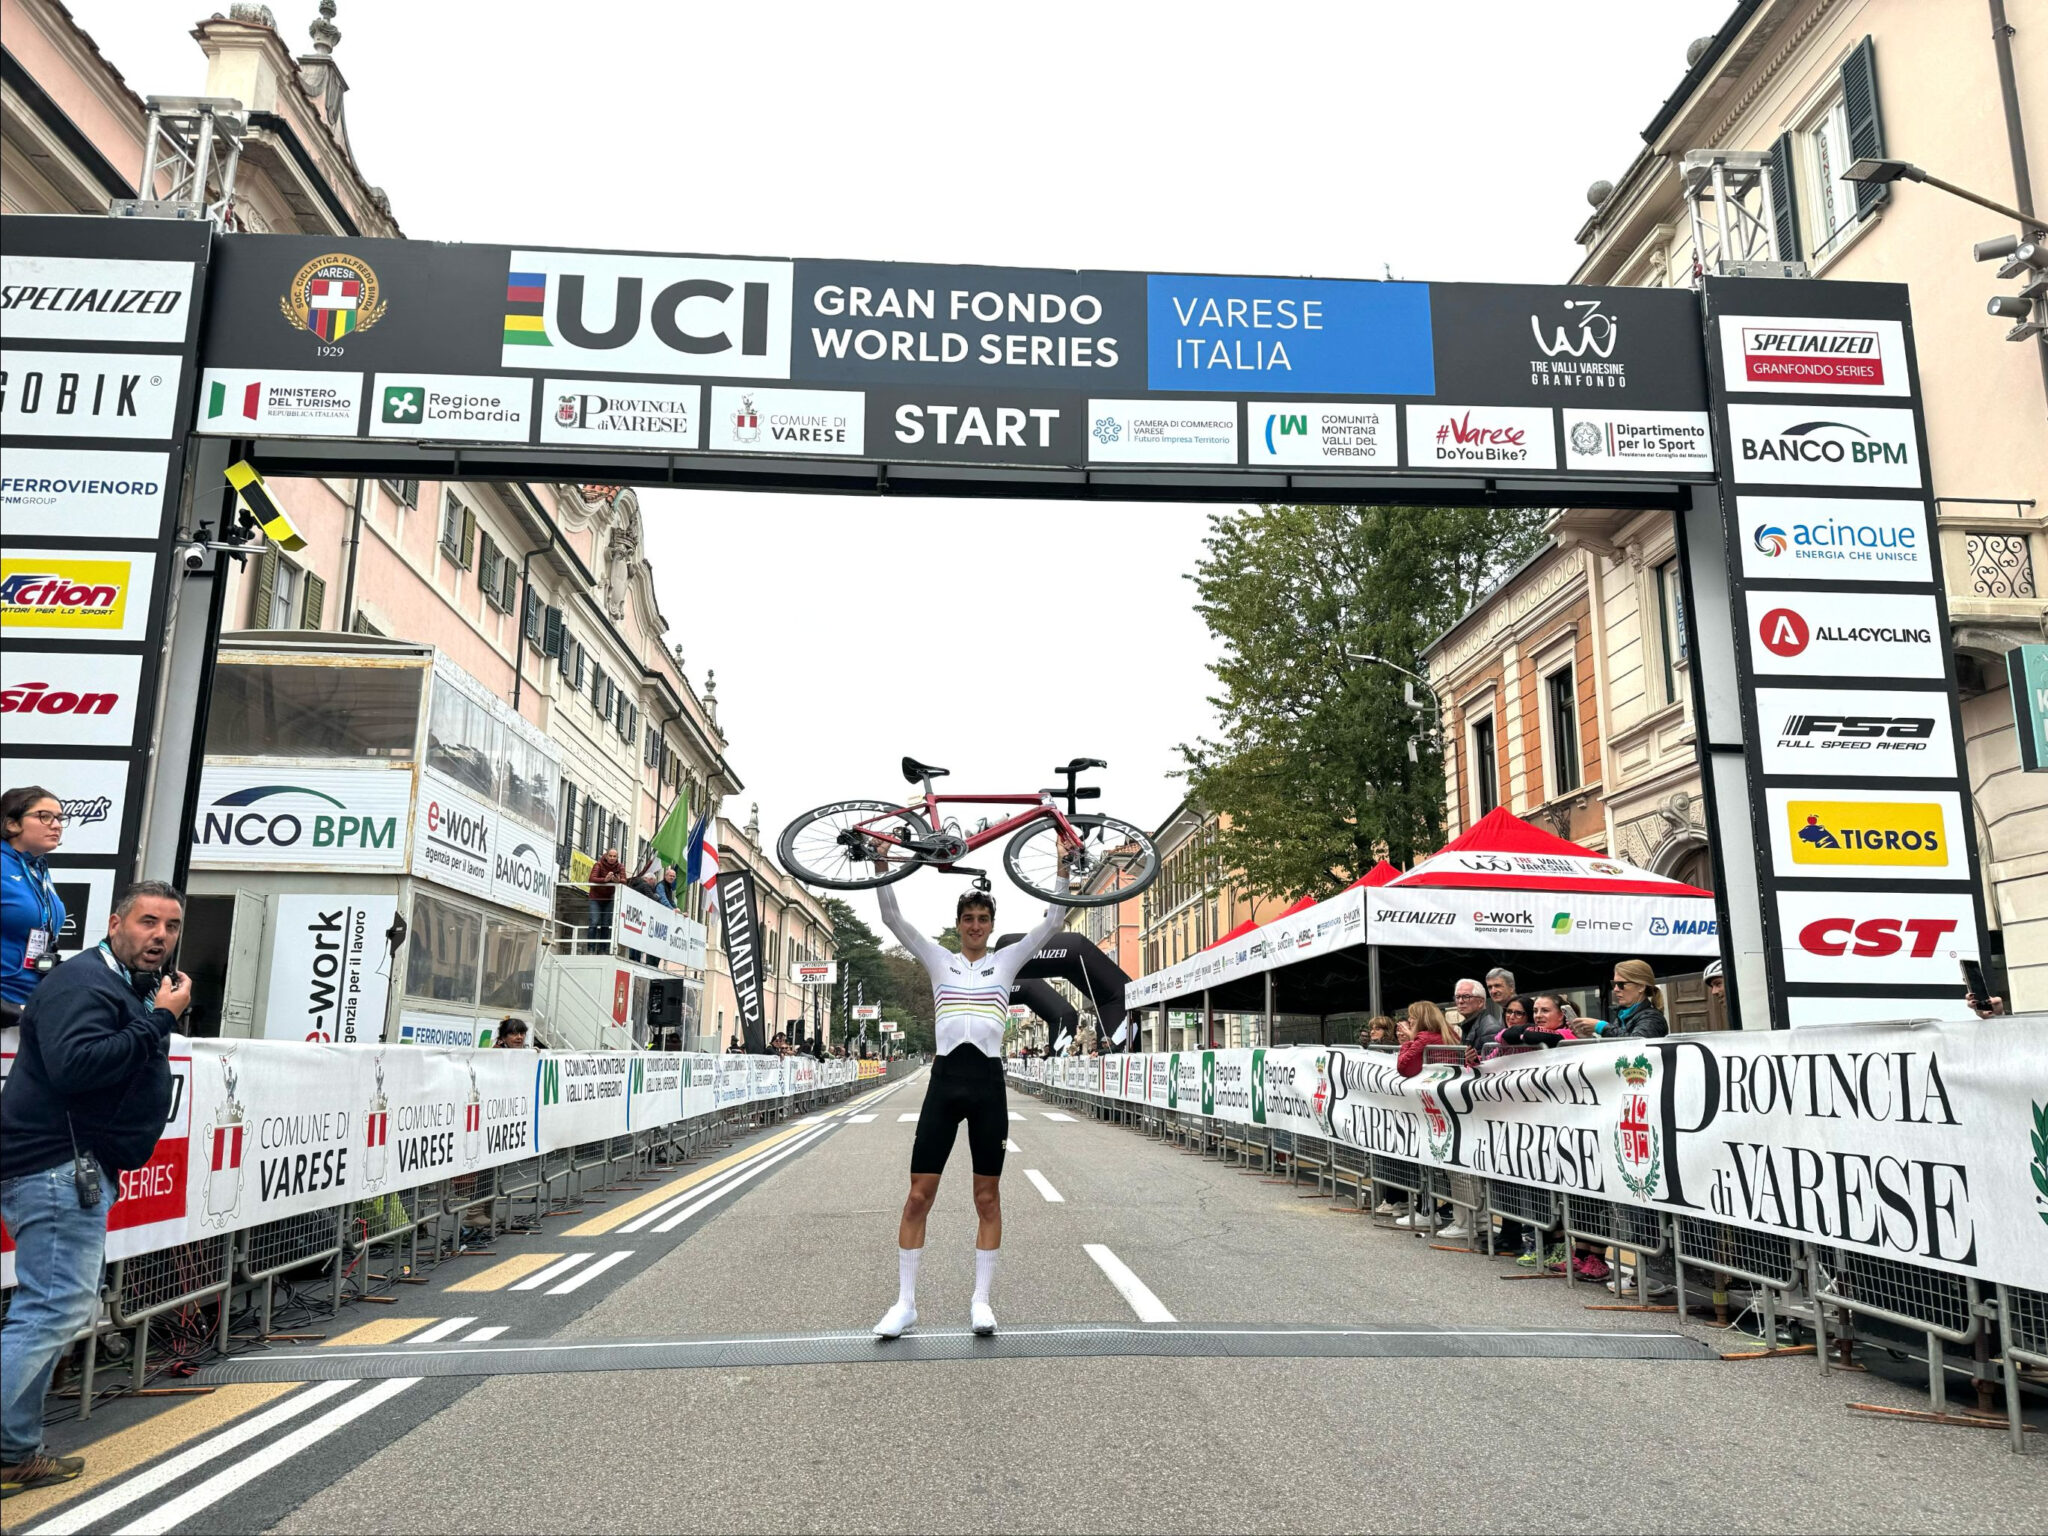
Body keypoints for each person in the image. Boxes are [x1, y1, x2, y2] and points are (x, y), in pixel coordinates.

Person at [1, 882, 189, 1496]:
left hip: (68, 1166)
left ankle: (15, 1451)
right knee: (51, 1310)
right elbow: (75, 1066)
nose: (159, 936)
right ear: (114, 924)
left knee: (52, 1310)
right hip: (57, 1166)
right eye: (147, 922)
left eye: (171, 926)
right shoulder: (85, 982)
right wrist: (160, 1018)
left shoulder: (119, 984)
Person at [872, 869, 1072, 1340]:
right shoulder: (939, 959)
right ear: (958, 923)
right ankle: (905, 1304)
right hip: (945, 1081)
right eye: (969, 918)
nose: (976, 925)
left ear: (991, 923)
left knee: (987, 1197)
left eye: (983, 918)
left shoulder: (1006, 961)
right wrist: (882, 867)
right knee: (919, 1196)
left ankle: (981, 1301)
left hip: (986, 1083)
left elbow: (1054, 919)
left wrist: (1061, 870)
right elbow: (890, 916)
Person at [1, 787, 68, 1026]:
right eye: (44, 816)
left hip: (30, 1007)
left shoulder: (37, 868)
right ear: (11, 824)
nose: (56, 825)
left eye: (60, 818)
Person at [1601, 959, 1669, 1039]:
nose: (1615, 989)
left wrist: (1602, 1027)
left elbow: (1636, 1044)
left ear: (1641, 987)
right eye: (1614, 984)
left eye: (1621, 984)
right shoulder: (1622, 1015)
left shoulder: (1653, 1018)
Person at [585, 848, 627, 949]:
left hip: (609, 898)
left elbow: (624, 881)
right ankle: (591, 947)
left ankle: (603, 948)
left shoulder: (620, 866)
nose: (612, 858)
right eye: (610, 856)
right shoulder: (598, 864)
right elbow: (591, 879)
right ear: (606, 856)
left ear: (617, 858)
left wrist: (618, 881)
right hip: (596, 897)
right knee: (594, 921)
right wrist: (605, 879)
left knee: (606, 923)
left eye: (614, 856)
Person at [1451, 977, 1502, 1055]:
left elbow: (1493, 1063)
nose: (1460, 1001)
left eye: (1466, 996)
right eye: (1457, 997)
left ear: (1480, 1002)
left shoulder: (1490, 1028)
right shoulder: (1469, 1025)